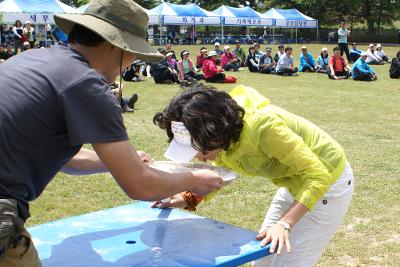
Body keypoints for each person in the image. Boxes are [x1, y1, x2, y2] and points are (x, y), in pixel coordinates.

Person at [0, 1, 223, 265]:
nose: (129, 64)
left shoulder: (32, 59)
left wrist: (121, 163)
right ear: (116, 46)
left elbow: (64, 159)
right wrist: (193, 179)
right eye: (132, 53)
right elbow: (139, 185)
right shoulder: (87, 84)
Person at [153, 84, 354, 267]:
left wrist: (285, 224)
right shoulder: (226, 137)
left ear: (214, 133)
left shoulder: (265, 128)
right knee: (262, 258)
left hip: (329, 185)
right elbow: (219, 175)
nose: (201, 158)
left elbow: (318, 176)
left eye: (202, 151)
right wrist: (187, 197)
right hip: (296, 182)